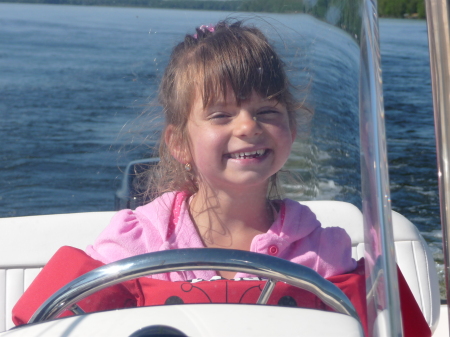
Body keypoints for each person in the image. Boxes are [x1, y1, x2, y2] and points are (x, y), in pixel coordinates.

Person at [85, 20, 356, 281]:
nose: (248, 126)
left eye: (267, 111)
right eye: (221, 115)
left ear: (291, 131)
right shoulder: (134, 246)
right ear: (179, 144)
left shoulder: (324, 255)